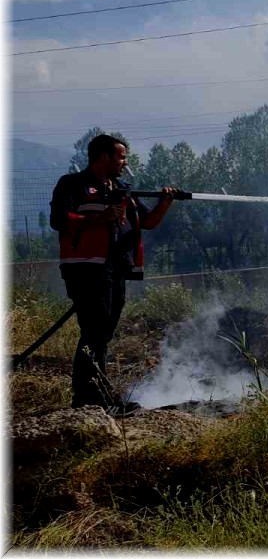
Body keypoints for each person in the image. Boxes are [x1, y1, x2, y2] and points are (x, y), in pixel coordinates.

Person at [49, 134, 178, 416]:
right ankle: (92, 398)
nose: (125, 163)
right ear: (103, 157)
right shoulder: (73, 185)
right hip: (86, 269)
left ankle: (96, 396)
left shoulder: (122, 190)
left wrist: (166, 201)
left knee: (103, 332)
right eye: (121, 157)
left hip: (115, 269)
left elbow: (149, 222)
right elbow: (59, 220)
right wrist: (101, 217)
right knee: (94, 331)